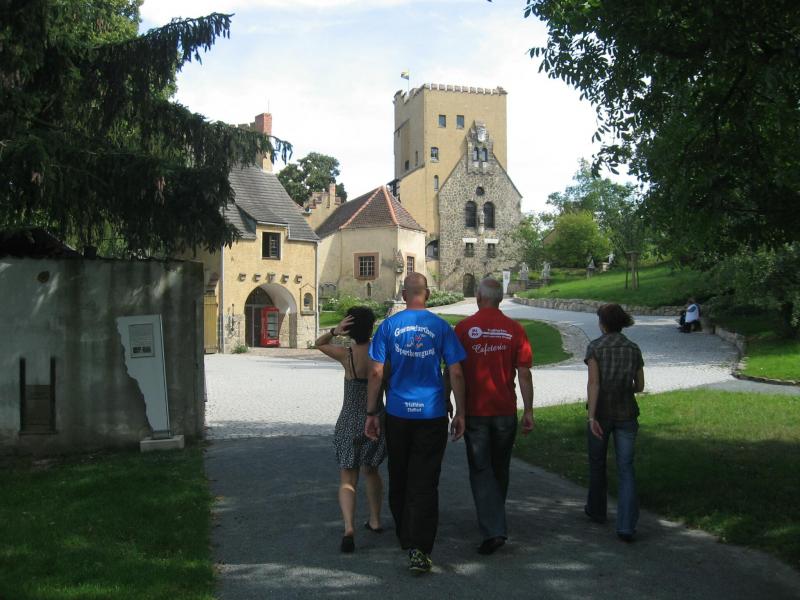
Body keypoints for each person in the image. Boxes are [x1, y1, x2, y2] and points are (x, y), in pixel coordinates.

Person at [364, 272, 467, 573]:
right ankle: (420, 549)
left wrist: (372, 413)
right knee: (425, 480)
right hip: (431, 413)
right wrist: (461, 412)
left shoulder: (388, 326)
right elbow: (456, 372)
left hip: (398, 413)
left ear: (403, 294)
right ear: (428, 294)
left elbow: (376, 372)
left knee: (399, 474)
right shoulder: (441, 327)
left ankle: (405, 535)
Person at [453, 277, 535, 555]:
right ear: (500, 298)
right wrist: (529, 410)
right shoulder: (515, 329)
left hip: (476, 411)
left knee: (481, 469)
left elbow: (454, 372)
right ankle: (495, 519)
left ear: (479, 297)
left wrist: (454, 407)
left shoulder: (464, 329)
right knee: (500, 467)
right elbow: (524, 373)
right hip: (505, 410)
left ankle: (493, 529)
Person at [315, 306, 386, 554]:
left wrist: (335, 331)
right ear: (372, 327)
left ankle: (348, 528)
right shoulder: (381, 355)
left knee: (347, 477)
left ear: (350, 329)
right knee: (372, 470)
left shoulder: (346, 355)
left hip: (348, 421)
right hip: (375, 419)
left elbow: (319, 343)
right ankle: (375, 520)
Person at [584, 303, 645, 542]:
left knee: (597, 463)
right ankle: (626, 525)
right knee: (626, 468)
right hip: (627, 413)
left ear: (603, 324)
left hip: (601, 414)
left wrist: (591, 417)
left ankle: (597, 510)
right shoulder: (633, 348)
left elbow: (594, 384)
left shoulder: (595, 347)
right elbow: (640, 385)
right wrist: (624, 386)